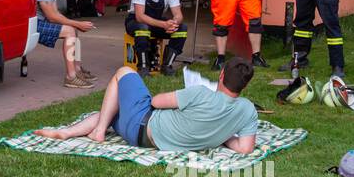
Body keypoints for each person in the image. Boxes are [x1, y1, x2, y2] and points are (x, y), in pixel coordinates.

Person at [34, 56, 258, 154]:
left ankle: (98, 132)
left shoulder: (200, 93)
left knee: (123, 73)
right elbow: (245, 148)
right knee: (110, 112)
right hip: (149, 142)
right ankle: (67, 133)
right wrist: (222, 132)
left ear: (221, 75)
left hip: (144, 125)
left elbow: (155, 101)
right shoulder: (247, 110)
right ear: (245, 86)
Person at [36, 0, 97, 88]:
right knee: (71, 30)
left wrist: (75, 24)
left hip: (42, 21)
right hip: (34, 24)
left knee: (72, 29)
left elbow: (56, 13)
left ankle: (77, 69)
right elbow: (52, 17)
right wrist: (77, 24)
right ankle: (71, 77)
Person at [125, 0, 187, 76]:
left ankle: (167, 65)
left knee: (182, 28)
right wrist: (163, 24)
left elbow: (178, 14)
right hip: (135, 21)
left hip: (156, 22)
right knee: (143, 27)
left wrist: (173, 23)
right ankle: (143, 67)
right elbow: (140, 16)